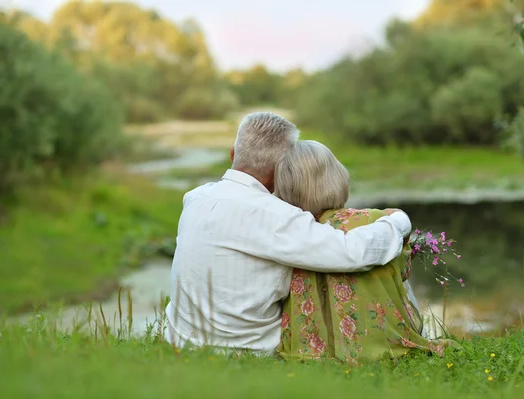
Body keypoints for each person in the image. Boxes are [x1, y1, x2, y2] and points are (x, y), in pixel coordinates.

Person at [165, 112, 412, 356]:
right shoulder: (274, 215)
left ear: (233, 153)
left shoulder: (195, 197)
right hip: (243, 353)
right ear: (284, 167)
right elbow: (352, 253)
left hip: (178, 341)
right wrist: (398, 221)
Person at [275, 140, 457, 365]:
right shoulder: (371, 221)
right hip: (377, 345)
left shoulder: (290, 231)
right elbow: (402, 270)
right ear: (336, 178)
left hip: (305, 350)